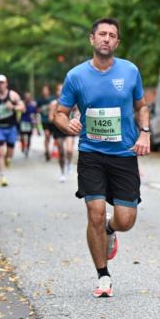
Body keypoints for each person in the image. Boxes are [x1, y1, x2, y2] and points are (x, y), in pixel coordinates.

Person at [51, 17, 150, 298]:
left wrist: (145, 133)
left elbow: (141, 106)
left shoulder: (130, 72)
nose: (106, 39)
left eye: (112, 35)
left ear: (117, 42)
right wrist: (65, 122)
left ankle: (110, 228)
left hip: (124, 154)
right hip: (91, 153)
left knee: (126, 219)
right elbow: (59, 112)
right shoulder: (76, 76)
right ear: (92, 39)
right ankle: (103, 276)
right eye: (102, 34)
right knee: (93, 212)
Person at [0, 74, 24, 187]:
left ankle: (8, 159)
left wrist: (12, 107)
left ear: (6, 83)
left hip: (11, 127)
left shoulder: (13, 95)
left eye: (2, 82)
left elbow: (23, 107)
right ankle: (2, 176)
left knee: (9, 153)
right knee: (0, 152)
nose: (0, 85)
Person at [47, 82, 75, 182]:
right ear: (57, 91)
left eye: (63, 89)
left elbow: (77, 114)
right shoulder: (53, 104)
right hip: (58, 129)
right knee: (61, 152)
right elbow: (50, 118)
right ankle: (62, 172)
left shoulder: (73, 102)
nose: (61, 92)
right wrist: (56, 116)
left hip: (69, 129)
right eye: (59, 90)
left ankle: (69, 163)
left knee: (69, 150)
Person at [36, 84, 55, 161]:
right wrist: (43, 108)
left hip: (52, 120)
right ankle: (47, 151)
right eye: (44, 90)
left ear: (48, 91)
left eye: (46, 90)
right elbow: (37, 110)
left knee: (52, 137)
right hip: (44, 120)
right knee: (47, 135)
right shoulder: (40, 100)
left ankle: (52, 151)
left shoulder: (52, 99)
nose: (45, 91)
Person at [19, 91, 39, 157]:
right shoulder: (22, 104)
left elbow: (36, 113)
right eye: (26, 97)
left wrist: (36, 121)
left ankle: (27, 149)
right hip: (23, 122)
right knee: (22, 136)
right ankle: (23, 146)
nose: (27, 98)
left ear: (30, 98)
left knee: (29, 137)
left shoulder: (33, 105)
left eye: (28, 97)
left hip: (30, 122)